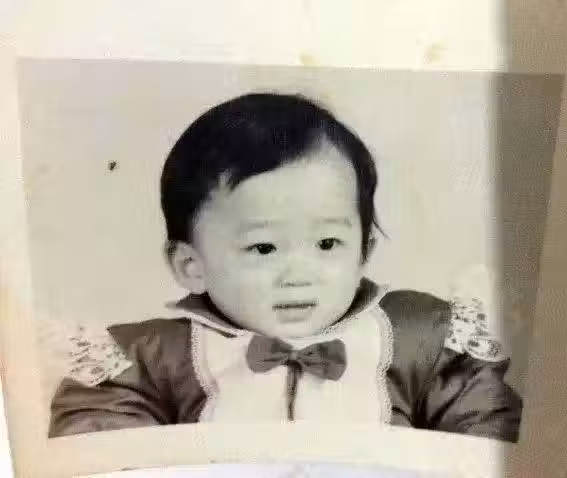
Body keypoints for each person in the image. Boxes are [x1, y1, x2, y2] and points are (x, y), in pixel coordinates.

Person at [48, 93, 522, 442]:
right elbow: (98, 431)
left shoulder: (417, 338)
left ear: (364, 251)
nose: (299, 275)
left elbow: (484, 421)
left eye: (327, 243)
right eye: (263, 249)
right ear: (192, 266)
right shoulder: (159, 355)